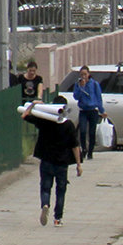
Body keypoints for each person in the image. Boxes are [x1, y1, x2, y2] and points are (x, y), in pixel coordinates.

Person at [22, 95, 81, 227]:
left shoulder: (45, 121)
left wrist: (34, 105)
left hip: (46, 160)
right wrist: (78, 165)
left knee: (45, 187)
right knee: (60, 191)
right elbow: (75, 146)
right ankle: (57, 219)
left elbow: (24, 115)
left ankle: (45, 204)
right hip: (62, 163)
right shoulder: (69, 125)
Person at [70, 65, 104, 168]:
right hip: (83, 110)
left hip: (93, 110)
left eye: (85, 74)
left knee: (92, 132)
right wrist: (81, 87)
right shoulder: (78, 84)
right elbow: (76, 97)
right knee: (83, 130)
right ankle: (83, 148)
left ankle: (90, 151)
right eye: (81, 75)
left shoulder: (94, 84)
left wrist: (102, 110)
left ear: (88, 74)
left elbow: (98, 97)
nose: (83, 76)